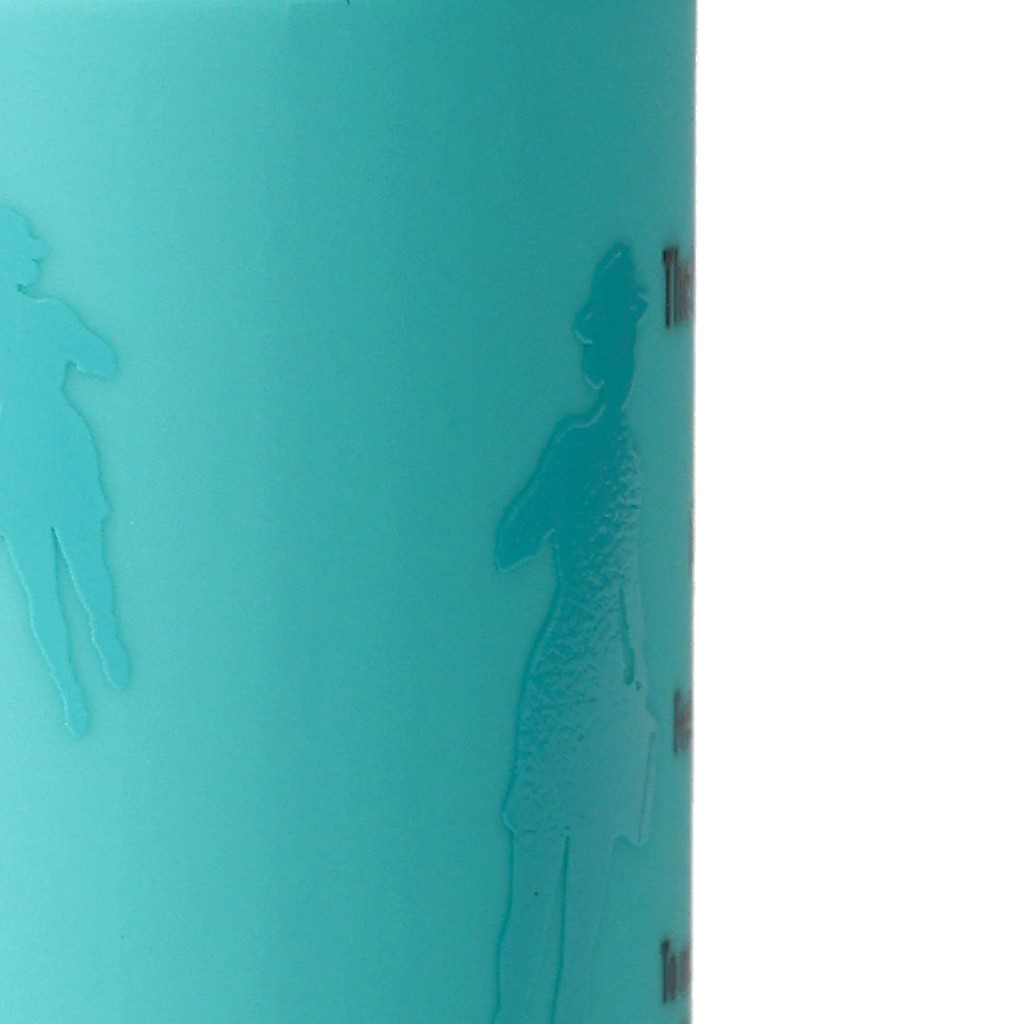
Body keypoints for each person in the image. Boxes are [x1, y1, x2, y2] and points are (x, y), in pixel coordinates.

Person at [494, 244, 657, 1024]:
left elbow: (510, 542)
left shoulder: (577, 450)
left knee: (534, 897)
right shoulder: (629, 455)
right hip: (613, 695)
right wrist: (642, 692)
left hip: (566, 690)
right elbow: (631, 594)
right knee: (583, 929)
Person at [0, 207, 130, 736]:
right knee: (87, 568)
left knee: (40, 587)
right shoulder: (48, 316)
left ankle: (71, 691)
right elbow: (103, 362)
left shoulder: (47, 317)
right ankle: (106, 651)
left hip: (14, 463)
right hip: (55, 452)